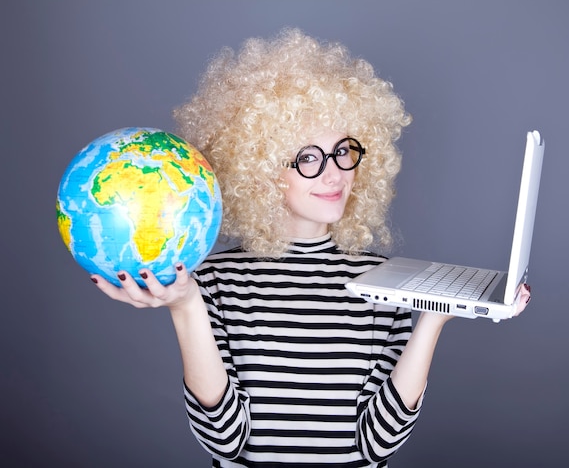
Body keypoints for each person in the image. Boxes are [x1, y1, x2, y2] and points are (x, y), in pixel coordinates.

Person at [92, 28, 531, 467]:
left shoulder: (385, 283)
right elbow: (225, 440)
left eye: (343, 152)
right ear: (259, 169)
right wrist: (187, 307)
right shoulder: (213, 282)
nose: (334, 174)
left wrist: (432, 318)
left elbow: (377, 444)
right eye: (307, 157)